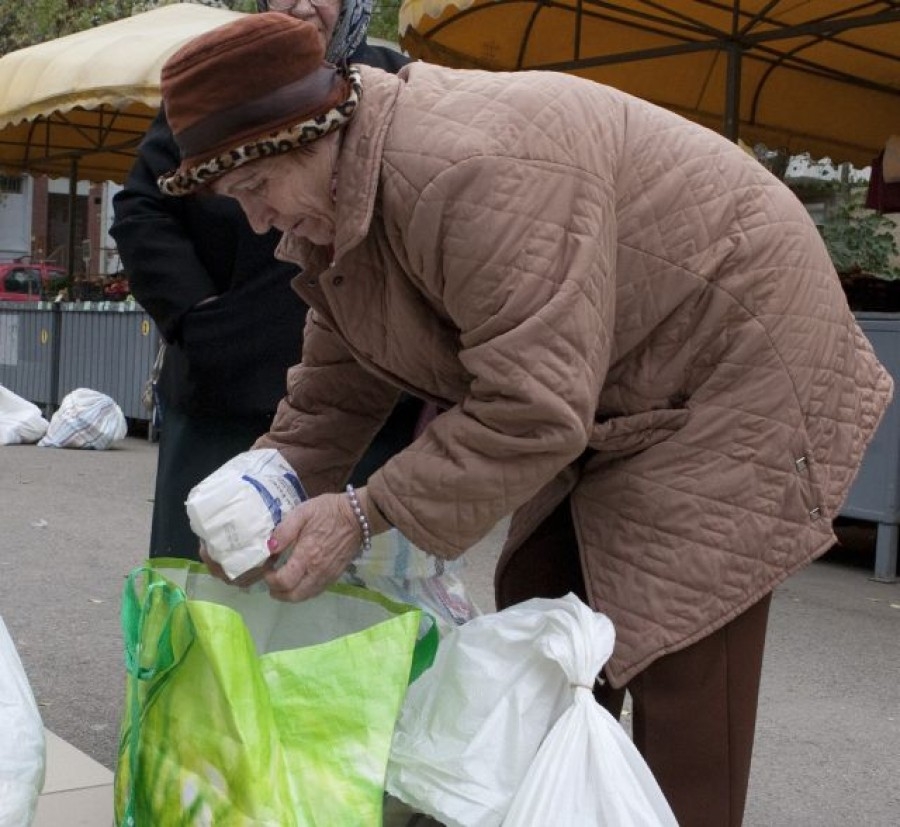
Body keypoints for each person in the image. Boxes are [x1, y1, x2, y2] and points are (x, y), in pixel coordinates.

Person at [156, 13, 893, 826]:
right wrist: (273, 485)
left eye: (257, 192)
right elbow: (338, 382)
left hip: (734, 359)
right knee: (545, 613)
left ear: (309, 137)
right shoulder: (341, 196)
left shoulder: (470, 170)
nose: (259, 223)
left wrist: (364, 514)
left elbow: (536, 407)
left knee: (677, 641)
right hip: (617, 373)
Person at [109, 0, 423, 560]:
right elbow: (142, 209)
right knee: (212, 578)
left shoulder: (391, 82)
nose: (302, 4)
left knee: (353, 589)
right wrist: (200, 316)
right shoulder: (224, 86)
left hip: (371, 400)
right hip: (228, 388)